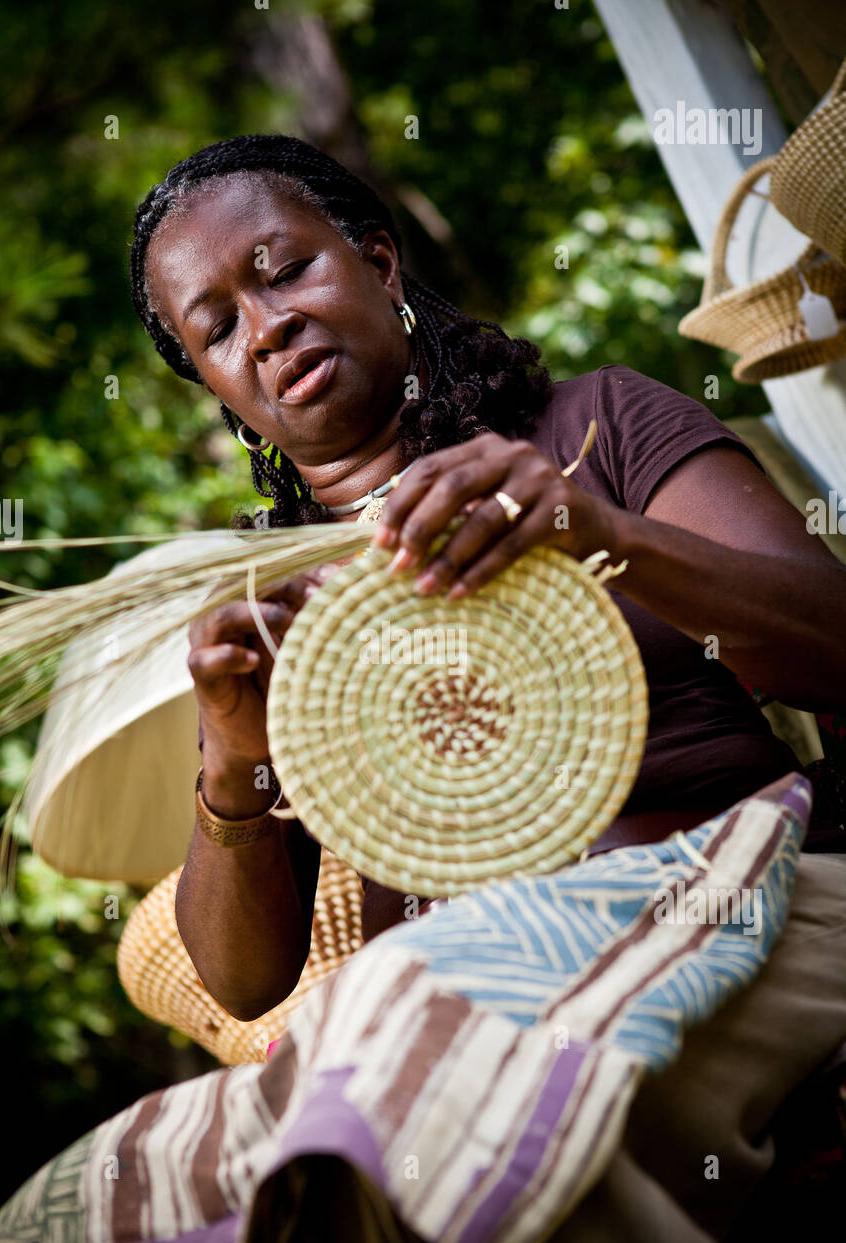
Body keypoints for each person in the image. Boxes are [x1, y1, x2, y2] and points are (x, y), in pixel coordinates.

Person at [130, 133, 846, 1024]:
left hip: (726, 927)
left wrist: (597, 533)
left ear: (380, 264)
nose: (268, 327)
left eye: (284, 272)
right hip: (462, 1021)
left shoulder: (594, 428)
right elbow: (245, 984)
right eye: (220, 329)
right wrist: (236, 760)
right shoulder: (279, 613)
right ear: (215, 386)